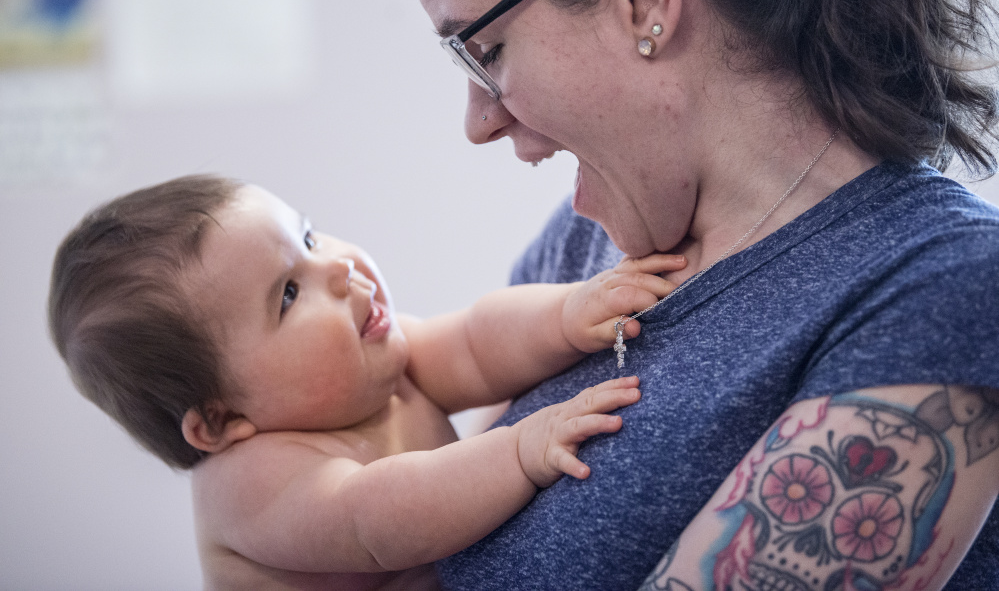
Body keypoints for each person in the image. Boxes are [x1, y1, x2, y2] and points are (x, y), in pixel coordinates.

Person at [389, 0, 999, 588]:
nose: (478, 123)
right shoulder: (581, 246)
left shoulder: (939, 282)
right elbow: (420, 550)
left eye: (485, 50)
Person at [47, 174, 686, 590]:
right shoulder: (251, 481)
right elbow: (376, 519)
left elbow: (474, 342)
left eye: (307, 235)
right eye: (289, 294)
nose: (337, 268)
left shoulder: (375, 363)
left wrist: (567, 316)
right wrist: (518, 448)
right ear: (218, 421)